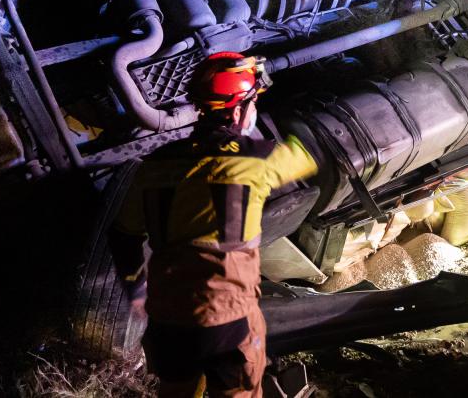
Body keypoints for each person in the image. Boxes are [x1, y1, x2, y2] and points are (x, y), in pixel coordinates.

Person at [109, 52, 320, 397]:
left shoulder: (153, 167)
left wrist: (137, 291)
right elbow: (309, 153)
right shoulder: (258, 159)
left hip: (167, 317)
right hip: (227, 318)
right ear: (240, 108)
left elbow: (123, 235)